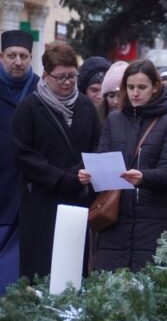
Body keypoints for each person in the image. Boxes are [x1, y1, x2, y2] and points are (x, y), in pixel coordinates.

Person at [77, 60, 167, 271]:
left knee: (146, 290)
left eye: (141, 87)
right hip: (114, 219)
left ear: (155, 87)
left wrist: (144, 177)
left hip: (153, 221)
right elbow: (102, 157)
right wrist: (89, 175)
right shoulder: (114, 120)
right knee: (111, 288)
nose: (135, 93)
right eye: (130, 87)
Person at [11, 42, 102, 280]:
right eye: (61, 77)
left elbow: (98, 146)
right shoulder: (29, 107)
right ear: (46, 75)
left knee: (73, 270)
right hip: (42, 201)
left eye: (72, 76)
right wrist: (62, 177)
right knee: (41, 269)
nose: (68, 82)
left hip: (77, 200)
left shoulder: (86, 106)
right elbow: (23, 155)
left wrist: (81, 171)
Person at [0, 30, 38, 293]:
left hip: (29, 189)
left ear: (31, 58)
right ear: (1, 57)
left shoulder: (40, 89)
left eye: (23, 56)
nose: (18, 61)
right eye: (12, 55)